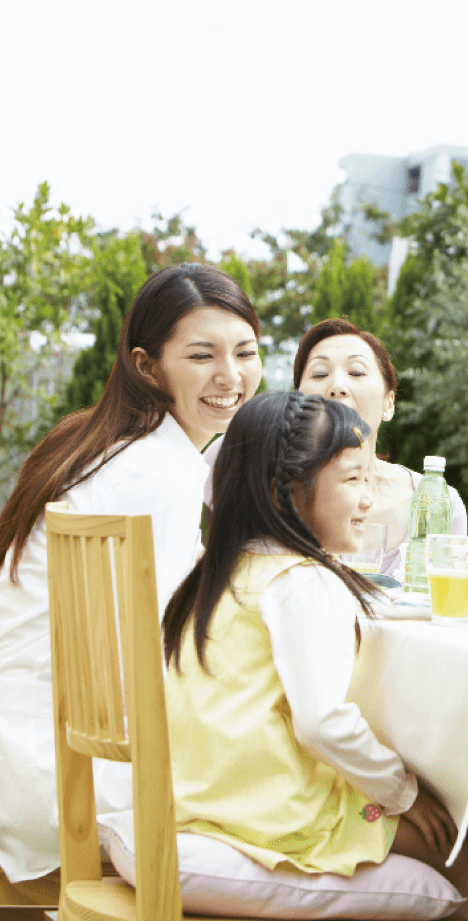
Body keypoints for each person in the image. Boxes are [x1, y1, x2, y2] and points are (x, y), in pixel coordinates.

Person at [162, 392, 468, 921]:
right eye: (352, 479)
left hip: (209, 797)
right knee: (466, 843)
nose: (368, 499)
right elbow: (323, 724)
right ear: (285, 490)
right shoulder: (303, 580)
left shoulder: (222, 570)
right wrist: (401, 792)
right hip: (270, 812)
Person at [0, 264, 262, 890]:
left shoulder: (104, 441)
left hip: (30, 742)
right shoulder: (154, 473)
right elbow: (181, 656)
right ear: (147, 366)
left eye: (245, 352)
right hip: (64, 770)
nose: (230, 377)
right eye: (202, 355)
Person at [293, 318, 468, 576]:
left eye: (357, 372)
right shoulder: (274, 497)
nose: (337, 387)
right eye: (319, 374)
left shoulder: (441, 503)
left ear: (389, 403)